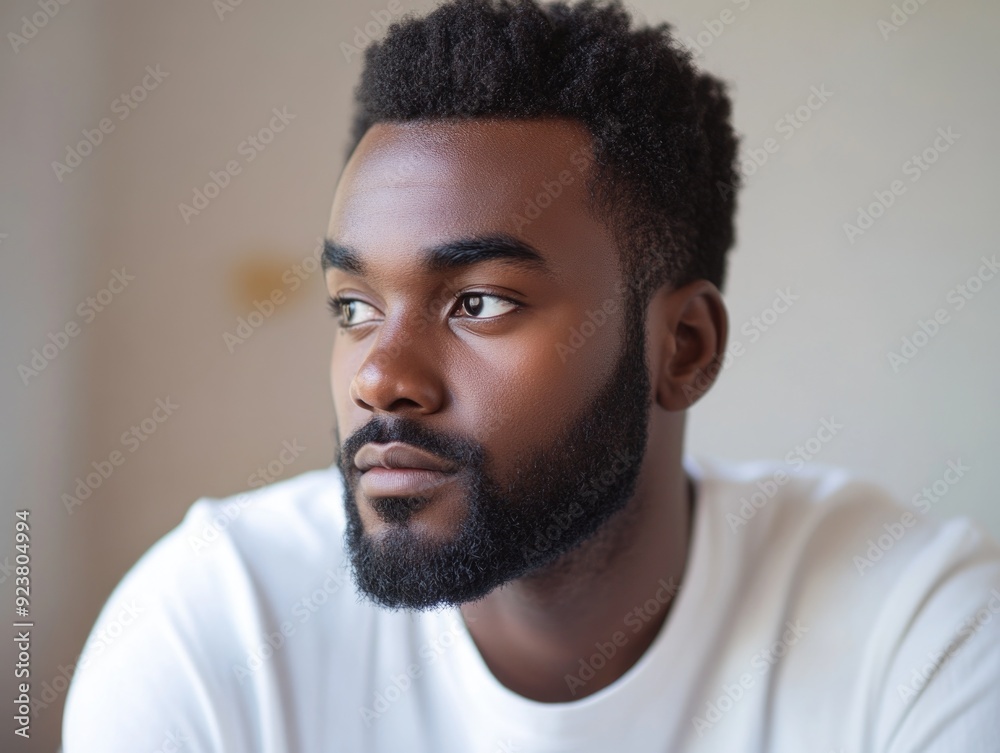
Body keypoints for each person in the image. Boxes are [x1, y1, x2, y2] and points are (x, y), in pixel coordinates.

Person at [63, 0, 1000, 750]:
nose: (381, 378)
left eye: (479, 302)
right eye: (354, 307)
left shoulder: (917, 631)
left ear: (683, 348)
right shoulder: (212, 627)